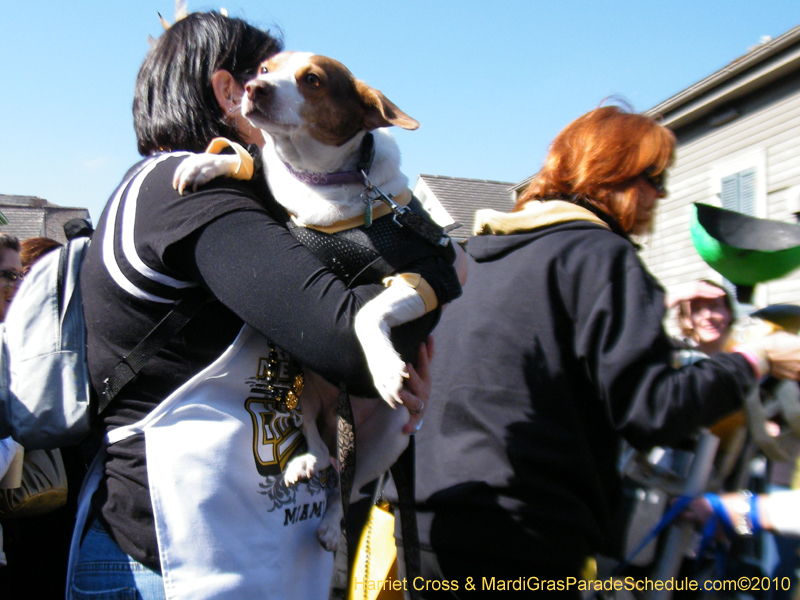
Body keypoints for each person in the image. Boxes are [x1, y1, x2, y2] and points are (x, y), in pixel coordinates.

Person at [73, 11, 430, 600]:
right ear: (230, 92)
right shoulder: (186, 190)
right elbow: (342, 340)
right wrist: (431, 289)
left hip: (242, 555)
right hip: (174, 563)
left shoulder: (209, 194)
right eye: (265, 73)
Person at [408, 105, 800, 598]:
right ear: (615, 176)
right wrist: (754, 359)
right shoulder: (600, 257)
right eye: (656, 179)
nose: (662, 195)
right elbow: (654, 410)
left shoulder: (473, 258)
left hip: (425, 526)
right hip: (524, 537)